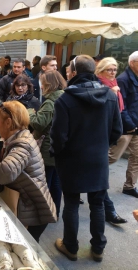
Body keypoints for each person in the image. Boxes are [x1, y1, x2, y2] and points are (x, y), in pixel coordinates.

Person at [50, 55, 122, 262]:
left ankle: (70, 246)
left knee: (72, 203)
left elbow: (58, 136)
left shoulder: (65, 99)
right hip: (98, 160)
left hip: (71, 160)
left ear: (73, 72)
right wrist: (101, 146)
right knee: (97, 203)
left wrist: (58, 153)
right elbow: (117, 130)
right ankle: (98, 248)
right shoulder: (109, 96)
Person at [0, 100, 57, 242]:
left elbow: (7, 172)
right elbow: (13, 164)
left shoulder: (22, 144)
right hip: (28, 207)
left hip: (32, 213)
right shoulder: (19, 138)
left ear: (8, 122)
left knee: (27, 249)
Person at [94, 57, 127, 224]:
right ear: (101, 71)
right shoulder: (100, 87)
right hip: (100, 138)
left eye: (114, 70)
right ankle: (109, 211)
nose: (113, 72)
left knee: (99, 177)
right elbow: (100, 114)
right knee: (100, 177)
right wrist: (111, 96)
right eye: (109, 70)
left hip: (107, 137)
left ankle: (108, 210)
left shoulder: (113, 86)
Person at [29, 70, 66, 219]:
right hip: (59, 148)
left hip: (47, 149)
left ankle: (46, 213)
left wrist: (30, 113)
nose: (42, 87)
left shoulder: (51, 102)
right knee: (56, 183)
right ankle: (54, 211)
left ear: (50, 84)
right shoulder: (64, 97)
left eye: (43, 84)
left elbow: (39, 123)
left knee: (46, 184)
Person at [109, 51, 138, 199]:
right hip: (127, 127)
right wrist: (131, 125)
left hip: (136, 126)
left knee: (136, 157)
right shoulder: (123, 79)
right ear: (132, 63)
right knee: (112, 157)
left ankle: (129, 186)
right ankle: (82, 176)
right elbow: (121, 106)